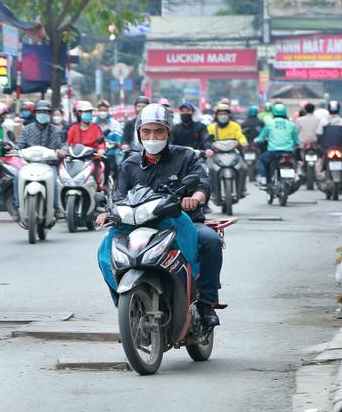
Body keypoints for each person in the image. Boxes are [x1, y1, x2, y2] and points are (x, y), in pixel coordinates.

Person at [96, 103, 223, 327]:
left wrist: (194, 199)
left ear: (168, 133)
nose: (152, 136)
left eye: (158, 131)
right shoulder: (129, 165)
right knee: (106, 251)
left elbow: (202, 185)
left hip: (183, 222)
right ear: (139, 134)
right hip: (138, 226)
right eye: (147, 131)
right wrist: (108, 213)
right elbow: (119, 197)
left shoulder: (186, 157)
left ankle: (205, 303)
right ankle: (125, 304)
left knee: (210, 241)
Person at [206, 103, 249, 198]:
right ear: (216, 115)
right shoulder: (211, 127)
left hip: (233, 152)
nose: (223, 116)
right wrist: (209, 148)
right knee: (208, 170)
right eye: (220, 114)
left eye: (224, 114)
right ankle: (212, 191)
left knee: (244, 168)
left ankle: (242, 189)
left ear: (229, 115)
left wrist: (244, 143)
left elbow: (240, 136)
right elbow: (207, 140)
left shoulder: (235, 126)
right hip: (216, 153)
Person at [254, 103, 300, 184]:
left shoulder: (270, 124)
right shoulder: (291, 124)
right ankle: (296, 174)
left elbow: (261, 138)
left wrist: (257, 140)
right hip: (288, 152)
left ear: (273, 112)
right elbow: (296, 141)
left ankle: (264, 178)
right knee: (296, 160)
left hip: (273, 152)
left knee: (261, 160)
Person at [65, 100, 107, 186]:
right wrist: (64, 151)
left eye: (90, 112)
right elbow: (67, 144)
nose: (89, 114)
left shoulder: (96, 128)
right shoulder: (73, 129)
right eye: (86, 112)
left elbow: (101, 143)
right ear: (79, 113)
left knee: (101, 170)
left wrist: (101, 150)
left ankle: (102, 190)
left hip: (91, 159)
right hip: (75, 159)